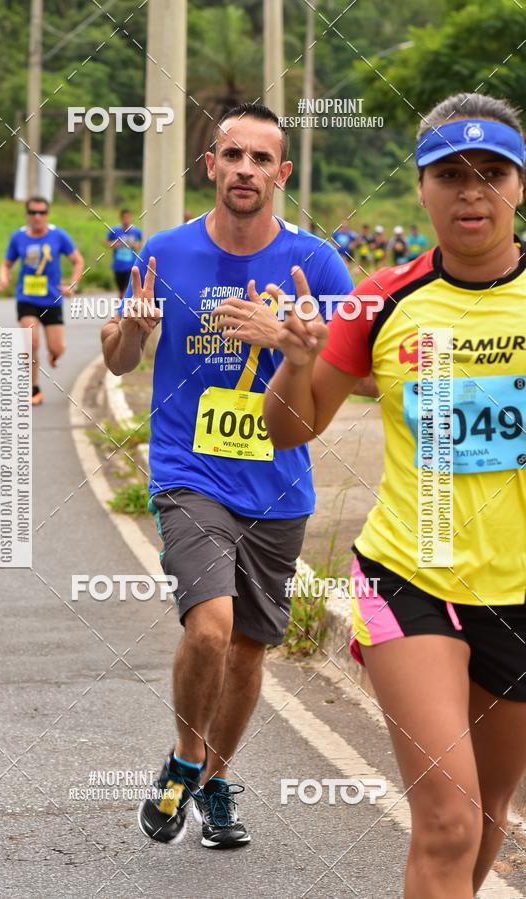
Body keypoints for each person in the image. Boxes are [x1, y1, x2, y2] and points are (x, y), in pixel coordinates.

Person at [264, 92, 526, 898]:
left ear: (520, 184)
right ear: (420, 187)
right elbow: (288, 430)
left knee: (486, 820)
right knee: (446, 822)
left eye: (492, 172)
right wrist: (297, 362)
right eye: (450, 173)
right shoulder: (383, 299)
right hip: (405, 579)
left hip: (516, 592)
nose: (471, 191)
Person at [101, 102, 354, 849]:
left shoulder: (317, 265)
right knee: (209, 629)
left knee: (248, 648)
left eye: (260, 159)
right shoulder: (166, 254)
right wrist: (133, 331)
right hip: (189, 472)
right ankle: (185, 758)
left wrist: (294, 344)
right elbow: (119, 357)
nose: (245, 169)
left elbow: (354, 374)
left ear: (281, 172)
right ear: (210, 165)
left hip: (279, 482)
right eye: (231, 155)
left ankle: (213, 782)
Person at [0, 197, 84, 405]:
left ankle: (54, 355)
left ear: (47, 214)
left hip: (52, 300)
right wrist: (3, 275)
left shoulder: (58, 236)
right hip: (26, 298)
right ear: (27, 214)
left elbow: (77, 261)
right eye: (33, 212)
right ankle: (34, 388)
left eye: (41, 212)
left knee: (57, 348)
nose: (37, 216)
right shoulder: (18, 237)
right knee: (31, 341)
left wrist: (72, 285)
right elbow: (6, 263)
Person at [104, 208, 142, 299]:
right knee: (121, 288)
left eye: (128, 217)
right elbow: (106, 242)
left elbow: (140, 242)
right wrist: (114, 244)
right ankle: (122, 300)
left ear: (131, 218)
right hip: (118, 264)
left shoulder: (136, 231)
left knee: (127, 288)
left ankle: (125, 305)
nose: (126, 220)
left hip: (130, 264)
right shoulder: (114, 231)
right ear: (121, 218)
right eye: (124, 217)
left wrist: (136, 245)